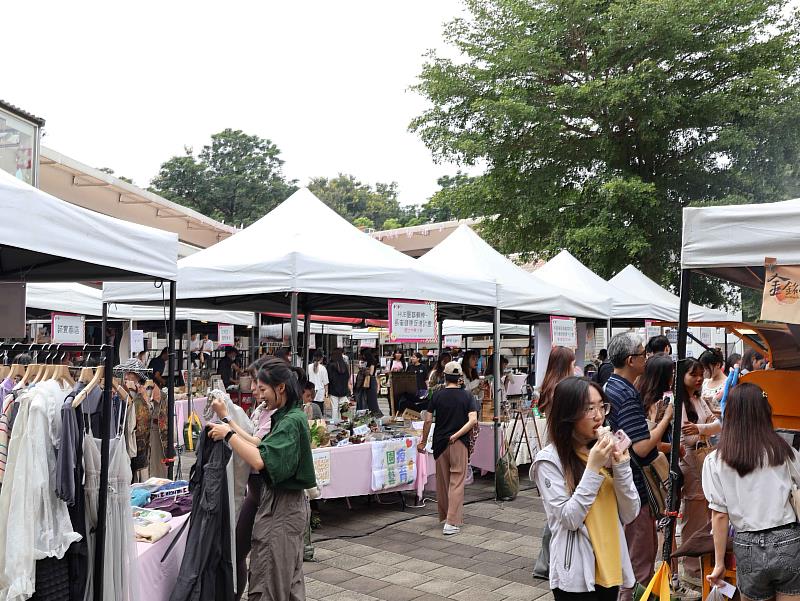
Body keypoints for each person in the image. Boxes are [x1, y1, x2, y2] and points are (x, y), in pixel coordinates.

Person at [208, 358, 316, 601]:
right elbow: (258, 443)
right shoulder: (286, 415)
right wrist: (228, 424)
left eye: (263, 388)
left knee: (268, 579)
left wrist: (228, 435)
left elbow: (259, 460)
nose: (258, 393)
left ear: (280, 388)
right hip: (282, 504)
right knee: (286, 582)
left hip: (282, 507)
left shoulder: (290, 421)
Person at [534, 377, 640, 601]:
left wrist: (621, 466)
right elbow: (569, 518)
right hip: (576, 576)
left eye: (602, 406)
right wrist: (593, 468)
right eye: (589, 408)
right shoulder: (549, 462)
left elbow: (630, 513)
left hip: (610, 567)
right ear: (567, 414)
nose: (599, 415)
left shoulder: (605, 452)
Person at [704, 383, 800, 601]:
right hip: (788, 538)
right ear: (765, 412)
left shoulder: (715, 460)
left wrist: (719, 563)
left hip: (748, 545)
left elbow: (719, 514)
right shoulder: (783, 451)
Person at [605, 332, 674, 601]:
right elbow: (642, 448)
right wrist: (666, 418)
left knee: (627, 558)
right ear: (631, 359)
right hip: (635, 486)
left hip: (619, 482)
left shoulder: (610, 385)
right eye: (643, 354)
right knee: (640, 561)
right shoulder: (627, 393)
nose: (647, 358)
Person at [209, 356, 275, 601]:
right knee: (236, 550)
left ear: (279, 386)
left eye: (261, 385)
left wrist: (227, 422)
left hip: (268, 495)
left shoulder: (282, 417)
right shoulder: (262, 410)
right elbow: (250, 438)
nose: (255, 389)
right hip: (254, 491)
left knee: (262, 562)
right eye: (255, 383)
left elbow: (257, 453)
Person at [417, 361, 478, 535]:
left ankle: (445, 516)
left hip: (440, 444)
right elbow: (473, 420)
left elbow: (428, 420)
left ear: (444, 376)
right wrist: (458, 434)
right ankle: (451, 522)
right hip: (459, 443)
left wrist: (422, 442)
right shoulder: (467, 396)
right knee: (457, 482)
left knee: (443, 483)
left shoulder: (436, 395)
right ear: (459, 378)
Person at [678, 357, 722, 589]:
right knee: (694, 514)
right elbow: (688, 436)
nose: (698, 379)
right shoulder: (680, 402)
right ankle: (691, 568)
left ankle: (702, 563)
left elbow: (717, 425)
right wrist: (705, 430)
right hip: (691, 461)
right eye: (692, 375)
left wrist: (702, 429)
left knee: (706, 512)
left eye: (700, 374)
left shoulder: (697, 398)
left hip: (705, 457)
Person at [538, 346, 576, 416]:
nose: (574, 368)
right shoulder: (564, 389)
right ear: (566, 366)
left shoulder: (548, 387)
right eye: (573, 365)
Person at [326, 348, 351, 421]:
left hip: (333, 390)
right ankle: (347, 422)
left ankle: (335, 423)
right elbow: (347, 377)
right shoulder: (345, 365)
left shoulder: (330, 365)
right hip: (343, 390)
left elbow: (329, 378)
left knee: (334, 408)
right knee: (344, 408)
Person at [699, 348, 726, 413]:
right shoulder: (704, 382)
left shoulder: (728, 384)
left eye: (706, 368)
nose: (705, 371)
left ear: (718, 365)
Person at [359, 348, 381, 416]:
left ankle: (376, 415)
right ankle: (370, 415)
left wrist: (363, 369)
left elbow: (371, 373)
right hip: (368, 381)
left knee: (372, 400)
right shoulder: (366, 362)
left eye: (363, 355)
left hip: (370, 381)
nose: (363, 357)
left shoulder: (372, 362)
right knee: (367, 400)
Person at [307, 351, 329, 416]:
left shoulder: (308, 367)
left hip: (310, 391)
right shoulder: (323, 368)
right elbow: (326, 383)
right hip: (320, 393)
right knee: (319, 413)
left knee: (310, 412)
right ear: (321, 359)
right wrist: (326, 394)